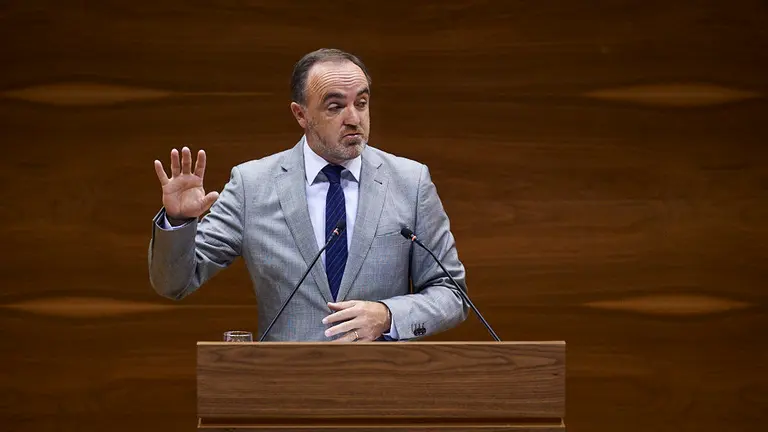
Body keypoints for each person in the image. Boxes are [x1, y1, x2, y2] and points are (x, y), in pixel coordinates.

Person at [148, 48, 469, 341]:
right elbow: (174, 283)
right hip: (285, 392)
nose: (354, 118)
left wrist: (388, 316)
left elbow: (452, 294)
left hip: (383, 389)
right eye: (335, 106)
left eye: (361, 103)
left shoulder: (410, 182)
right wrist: (178, 222)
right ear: (300, 115)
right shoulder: (252, 185)